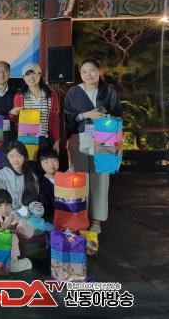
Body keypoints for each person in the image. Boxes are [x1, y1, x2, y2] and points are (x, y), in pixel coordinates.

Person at [64, 58, 122, 233]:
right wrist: (85, 115)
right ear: (80, 74)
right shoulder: (73, 92)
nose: (88, 75)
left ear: (99, 71)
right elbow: (68, 117)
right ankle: (81, 218)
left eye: (92, 71)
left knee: (101, 180)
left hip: (105, 137)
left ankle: (97, 220)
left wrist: (117, 140)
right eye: (84, 72)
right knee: (81, 179)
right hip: (80, 137)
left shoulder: (109, 91)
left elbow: (118, 115)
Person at [0, 189, 34, 273]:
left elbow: (29, 233)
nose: (4, 208)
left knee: (10, 268)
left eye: (7, 204)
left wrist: (21, 228)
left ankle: (27, 263)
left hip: (10, 254)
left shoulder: (15, 217)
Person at [10, 63, 61, 153]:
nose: (31, 77)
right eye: (27, 75)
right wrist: (13, 114)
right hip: (26, 139)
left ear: (40, 74)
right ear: (23, 78)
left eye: (34, 73)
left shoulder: (51, 95)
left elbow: (55, 119)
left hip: (44, 139)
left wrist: (56, 140)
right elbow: (15, 119)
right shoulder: (19, 96)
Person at [0, 141, 44, 217]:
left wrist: (35, 207)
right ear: (7, 156)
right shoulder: (0, 175)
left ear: (24, 157)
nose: (15, 160)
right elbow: (0, 201)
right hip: (8, 214)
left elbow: (34, 201)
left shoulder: (32, 176)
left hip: (27, 212)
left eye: (19, 156)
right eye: (12, 156)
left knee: (39, 211)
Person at [37, 148, 59, 223]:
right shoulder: (40, 183)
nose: (51, 165)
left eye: (54, 160)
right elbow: (45, 208)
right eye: (46, 162)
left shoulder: (66, 178)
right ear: (40, 164)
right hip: (50, 219)